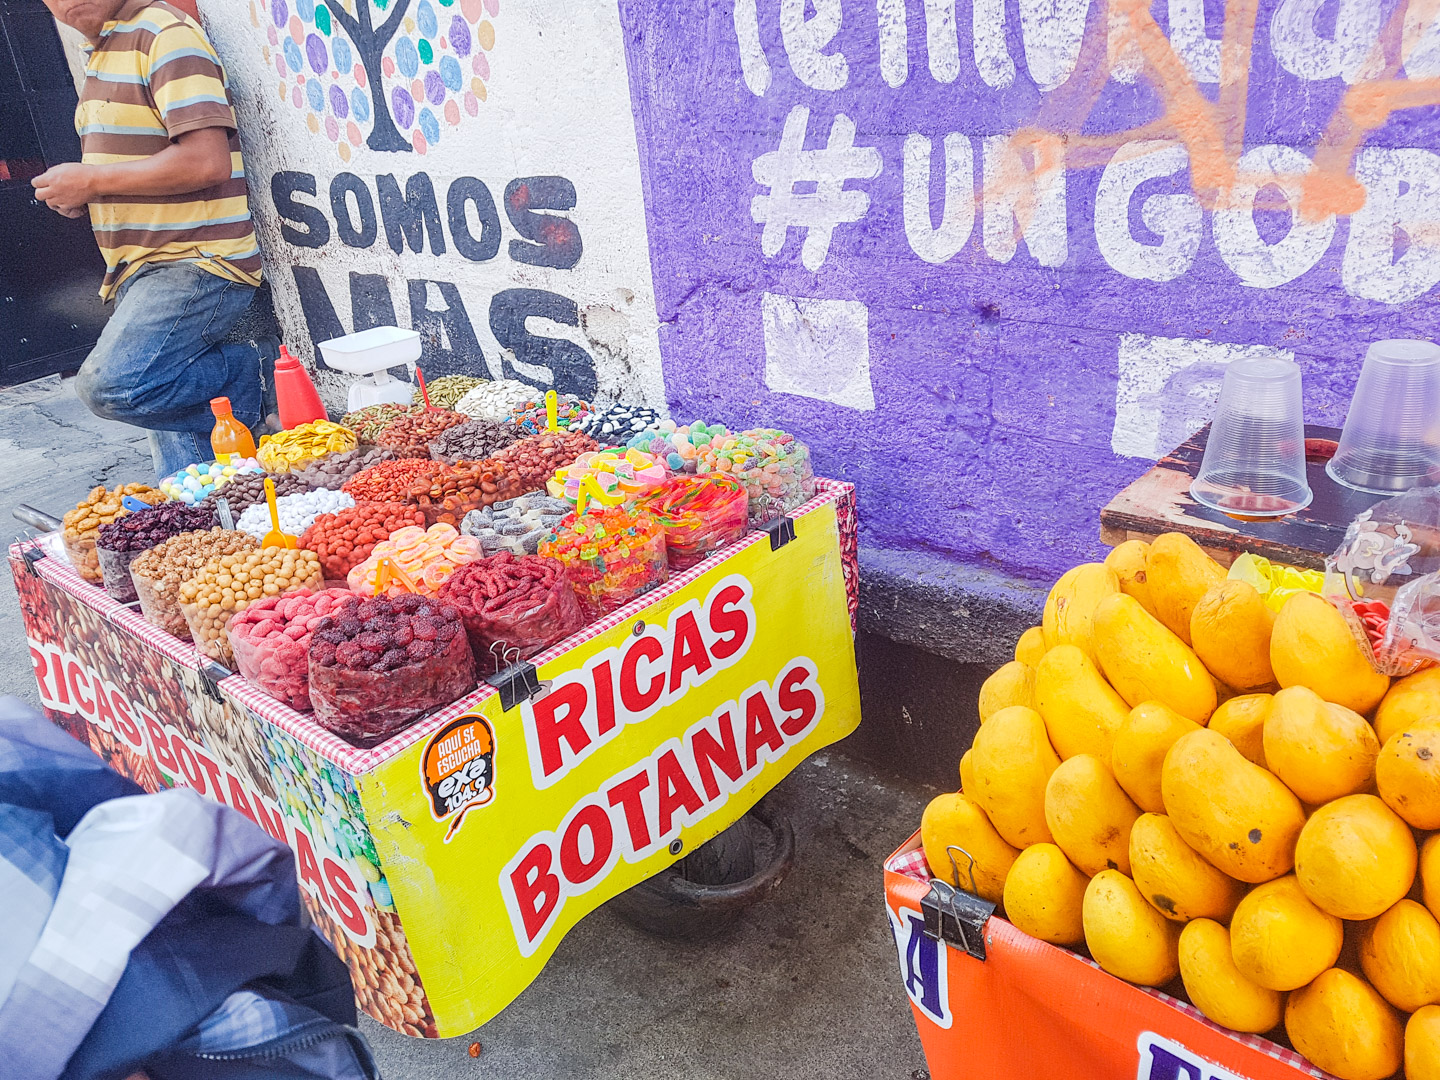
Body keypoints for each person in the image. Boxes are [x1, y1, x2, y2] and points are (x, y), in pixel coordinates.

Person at [32, 0, 274, 478]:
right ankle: (215, 523)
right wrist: (83, 192)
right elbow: (137, 165)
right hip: (145, 270)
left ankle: (250, 377)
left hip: (195, 261)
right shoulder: (104, 47)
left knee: (114, 385)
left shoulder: (162, 33)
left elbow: (207, 162)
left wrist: (93, 182)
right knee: (191, 488)